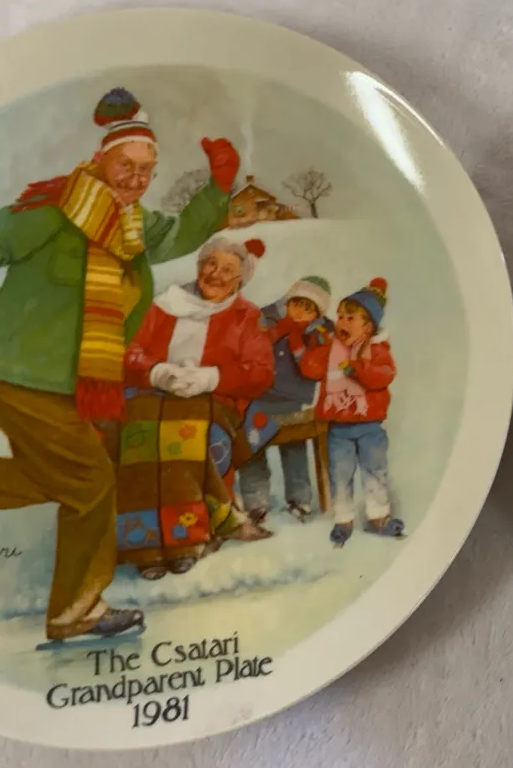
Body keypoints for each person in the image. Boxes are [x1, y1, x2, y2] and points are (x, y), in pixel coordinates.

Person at [0, 87, 240, 642]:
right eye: (127, 166)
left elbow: (181, 234)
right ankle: (76, 612)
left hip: (61, 381)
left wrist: (219, 187)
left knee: (56, 478)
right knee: (92, 483)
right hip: (16, 369)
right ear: (102, 159)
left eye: (146, 170)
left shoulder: (131, 226)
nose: (136, 179)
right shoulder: (55, 209)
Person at [120, 236, 276, 579]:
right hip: (152, 398)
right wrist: (158, 372)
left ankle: (186, 542)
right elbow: (130, 351)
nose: (216, 274)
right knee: (140, 440)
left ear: (240, 279)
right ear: (199, 266)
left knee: (190, 442)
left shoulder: (247, 316)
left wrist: (211, 377)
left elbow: (261, 371)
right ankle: (145, 546)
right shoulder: (164, 305)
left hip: (213, 403)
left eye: (228, 270)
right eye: (211, 264)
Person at [298, 278, 401, 546]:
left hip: (370, 426)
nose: (342, 322)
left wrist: (357, 369)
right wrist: (316, 345)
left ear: (369, 326)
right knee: (340, 474)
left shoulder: (377, 349)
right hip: (338, 427)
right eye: (341, 316)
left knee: (375, 469)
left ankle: (379, 516)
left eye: (351, 318)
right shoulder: (331, 348)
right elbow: (309, 369)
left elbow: (384, 375)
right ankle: (343, 519)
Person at [237, 275, 334, 523]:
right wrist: (278, 330)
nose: (300, 312)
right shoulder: (268, 319)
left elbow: (315, 367)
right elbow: (250, 345)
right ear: (287, 302)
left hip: (293, 399)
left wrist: (302, 340)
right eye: (296, 304)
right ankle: (255, 501)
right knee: (251, 444)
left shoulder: (320, 332)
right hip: (258, 396)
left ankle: (300, 499)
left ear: (317, 314)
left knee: (294, 447)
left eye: (308, 309)